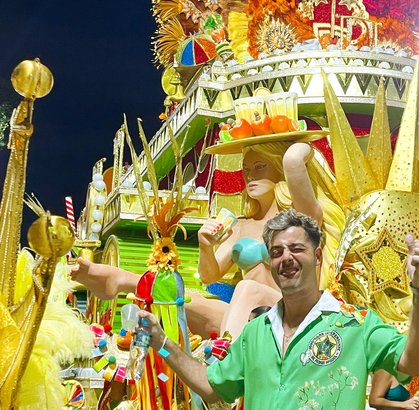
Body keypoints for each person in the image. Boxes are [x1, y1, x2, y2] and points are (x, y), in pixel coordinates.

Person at [137, 209, 419, 410]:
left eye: (297, 249)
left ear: (317, 256)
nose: (286, 258)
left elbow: (417, 364)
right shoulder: (255, 332)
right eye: (277, 252)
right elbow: (210, 384)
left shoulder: (356, 324)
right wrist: (162, 342)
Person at [71, 141, 343, 340]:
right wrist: (205, 245)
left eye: (260, 166)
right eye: (246, 169)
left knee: (247, 288)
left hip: (294, 311)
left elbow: (295, 161)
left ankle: (225, 364)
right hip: (248, 316)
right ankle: (122, 280)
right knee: (189, 301)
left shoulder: (298, 221)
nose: (251, 176)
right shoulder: (241, 225)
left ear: (278, 168)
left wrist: (298, 146)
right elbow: (208, 274)